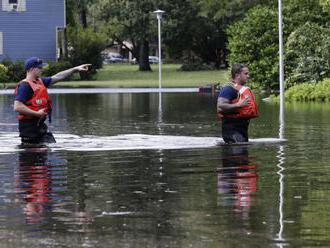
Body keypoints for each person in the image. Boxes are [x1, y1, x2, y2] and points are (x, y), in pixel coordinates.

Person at [14, 57, 91, 144]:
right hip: (29, 129)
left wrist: (75, 69)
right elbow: (17, 107)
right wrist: (37, 114)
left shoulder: (40, 82)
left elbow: (58, 76)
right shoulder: (25, 86)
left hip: (39, 127)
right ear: (32, 69)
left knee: (48, 147)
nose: (42, 69)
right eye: (40, 68)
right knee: (35, 153)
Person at [217, 63, 258, 144]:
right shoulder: (228, 89)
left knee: (243, 152)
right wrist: (238, 105)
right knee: (238, 153)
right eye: (246, 74)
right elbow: (220, 106)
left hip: (241, 132)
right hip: (232, 133)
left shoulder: (241, 90)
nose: (248, 76)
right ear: (237, 75)